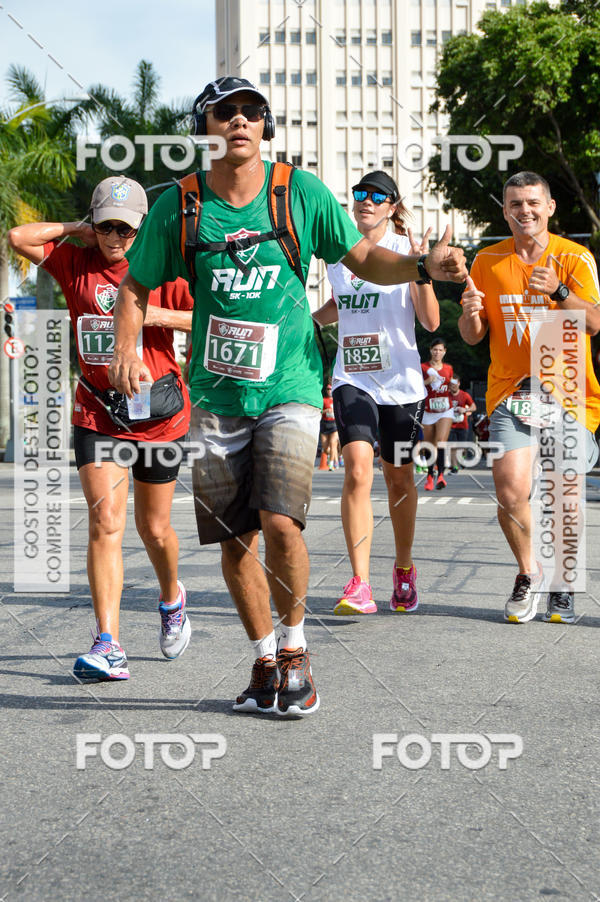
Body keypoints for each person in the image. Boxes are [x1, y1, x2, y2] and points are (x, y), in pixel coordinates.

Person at [108, 76, 467, 717]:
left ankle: (297, 651)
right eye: (225, 112)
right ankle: (264, 660)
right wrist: (127, 349)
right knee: (233, 539)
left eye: (252, 112)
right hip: (217, 393)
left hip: (292, 383)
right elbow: (136, 286)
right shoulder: (181, 205)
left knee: (279, 521)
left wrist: (420, 267)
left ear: (264, 126)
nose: (240, 121)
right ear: (206, 128)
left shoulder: (298, 192)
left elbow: (361, 258)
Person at [8, 176, 194, 680]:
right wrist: (75, 229)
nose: (116, 237)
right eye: (107, 226)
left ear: (142, 229)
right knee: (105, 522)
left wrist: (145, 314)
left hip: (159, 414)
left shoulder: (160, 265)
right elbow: (18, 238)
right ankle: (108, 643)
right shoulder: (76, 263)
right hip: (98, 412)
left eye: (127, 229)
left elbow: (204, 319)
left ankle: (172, 597)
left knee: (154, 529)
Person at [459, 170, 600, 624]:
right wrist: (469, 314)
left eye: (533, 203)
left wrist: (559, 292)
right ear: (505, 210)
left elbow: (595, 322)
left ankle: (564, 584)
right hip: (511, 393)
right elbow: (473, 336)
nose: (525, 211)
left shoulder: (574, 257)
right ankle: (529, 572)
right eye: (516, 204)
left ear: (550, 207)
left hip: (569, 393)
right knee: (510, 492)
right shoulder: (488, 261)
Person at [315, 170, 438, 615]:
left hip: (402, 385)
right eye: (358, 194)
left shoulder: (408, 251)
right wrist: (310, 321)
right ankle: (360, 582)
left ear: (392, 205)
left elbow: (430, 323)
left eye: (375, 196)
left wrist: (422, 269)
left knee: (399, 478)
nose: (364, 201)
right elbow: (341, 304)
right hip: (353, 378)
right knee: (358, 471)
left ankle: (403, 569)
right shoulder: (338, 254)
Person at [421, 338, 454, 490]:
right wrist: (427, 382)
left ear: (445, 352)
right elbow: (415, 386)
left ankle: (441, 475)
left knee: (441, 441)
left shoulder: (448, 368)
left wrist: (453, 388)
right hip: (428, 410)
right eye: (435, 349)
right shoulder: (423, 367)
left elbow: (451, 390)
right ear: (430, 350)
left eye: (440, 350)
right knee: (429, 445)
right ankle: (429, 475)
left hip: (445, 410)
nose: (437, 352)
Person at [448, 375, 476, 472]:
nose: (453, 386)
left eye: (455, 384)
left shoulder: (464, 395)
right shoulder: (446, 396)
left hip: (462, 425)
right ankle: (454, 467)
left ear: (459, 383)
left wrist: (465, 409)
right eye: (451, 384)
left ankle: (461, 458)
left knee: (461, 446)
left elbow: (474, 407)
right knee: (452, 446)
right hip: (449, 425)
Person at [320, 383, 340, 470]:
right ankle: (333, 457)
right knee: (325, 448)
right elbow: (319, 412)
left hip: (334, 424)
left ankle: (331, 464)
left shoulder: (337, 399)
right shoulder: (324, 400)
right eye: (328, 389)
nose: (329, 391)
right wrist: (325, 411)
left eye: (330, 389)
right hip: (325, 424)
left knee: (333, 444)